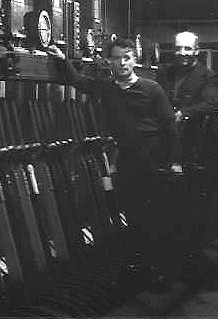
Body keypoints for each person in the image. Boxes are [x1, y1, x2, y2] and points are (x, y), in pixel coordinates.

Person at [47, 38, 181, 289]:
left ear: (135, 60)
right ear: (110, 62)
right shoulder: (107, 89)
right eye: (117, 58)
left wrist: (175, 162)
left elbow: (170, 127)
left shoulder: (152, 89)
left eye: (127, 57)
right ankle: (139, 268)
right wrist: (60, 58)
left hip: (154, 160)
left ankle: (161, 272)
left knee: (156, 216)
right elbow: (78, 81)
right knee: (132, 213)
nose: (122, 63)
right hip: (128, 161)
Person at [157, 30, 218, 269]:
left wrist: (183, 114)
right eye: (179, 48)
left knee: (193, 207)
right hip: (166, 148)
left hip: (196, 150)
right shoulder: (164, 72)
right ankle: (171, 261)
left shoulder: (207, 75)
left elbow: (212, 103)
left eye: (187, 49)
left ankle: (192, 259)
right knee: (168, 207)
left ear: (196, 50)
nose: (182, 53)